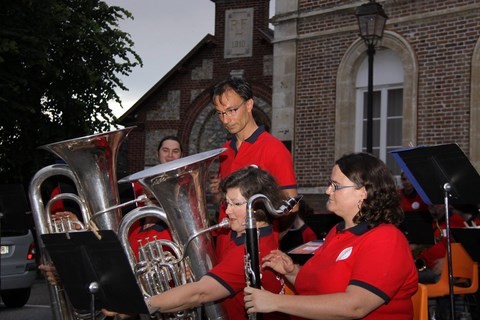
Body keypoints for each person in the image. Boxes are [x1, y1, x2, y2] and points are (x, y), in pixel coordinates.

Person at [244, 152, 418, 320]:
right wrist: (291, 272)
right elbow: (321, 291)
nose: (328, 191)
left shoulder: (386, 239)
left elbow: (355, 306)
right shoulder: (337, 231)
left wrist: (276, 302)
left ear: (364, 192)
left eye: (336, 186)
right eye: (330, 184)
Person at [103, 166, 290, 320]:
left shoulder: (251, 249)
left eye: (236, 204)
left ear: (257, 206)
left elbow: (199, 293)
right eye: (226, 203)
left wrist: (137, 305)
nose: (228, 212)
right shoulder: (263, 234)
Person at [209, 76, 298, 257]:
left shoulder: (274, 149)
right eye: (220, 113)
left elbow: (292, 206)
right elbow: (223, 200)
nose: (226, 120)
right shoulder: (225, 150)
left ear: (249, 105)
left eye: (232, 110)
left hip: (255, 248)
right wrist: (218, 194)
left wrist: (272, 236)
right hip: (224, 246)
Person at [128, 135, 183, 258]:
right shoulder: (141, 182)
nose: (170, 155)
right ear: (157, 153)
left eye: (175, 151)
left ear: (181, 155)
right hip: (146, 234)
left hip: (173, 236)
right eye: (165, 150)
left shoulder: (185, 182)